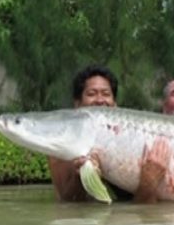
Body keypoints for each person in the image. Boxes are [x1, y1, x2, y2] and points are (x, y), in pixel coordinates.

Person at [48, 65, 133, 202]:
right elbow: (66, 201)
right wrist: (79, 175)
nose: (100, 100)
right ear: (78, 104)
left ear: (115, 105)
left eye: (106, 94)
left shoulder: (127, 137)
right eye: (91, 94)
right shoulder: (60, 144)